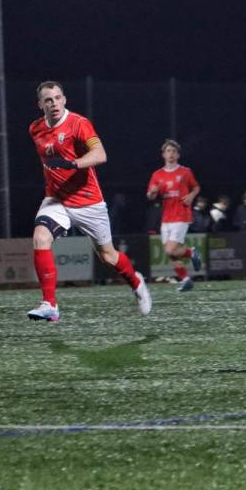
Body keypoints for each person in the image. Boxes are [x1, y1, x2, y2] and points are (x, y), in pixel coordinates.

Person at [25, 81, 152, 322]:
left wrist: (73, 163)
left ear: (65, 99)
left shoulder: (78, 124)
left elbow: (100, 154)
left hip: (88, 201)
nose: (54, 104)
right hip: (57, 199)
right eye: (48, 100)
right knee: (40, 237)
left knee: (108, 256)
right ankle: (49, 304)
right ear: (40, 104)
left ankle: (137, 284)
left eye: (58, 98)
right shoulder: (35, 129)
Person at [146, 138, 204, 291]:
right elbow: (150, 195)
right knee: (170, 253)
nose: (171, 154)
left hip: (181, 214)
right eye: (168, 151)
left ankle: (191, 252)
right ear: (163, 155)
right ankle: (186, 280)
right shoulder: (157, 175)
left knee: (171, 249)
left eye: (173, 151)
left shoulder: (185, 172)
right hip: (166, 217)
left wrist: (191, 196)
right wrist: (152, 193)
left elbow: (196, 187)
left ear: (178, 155)